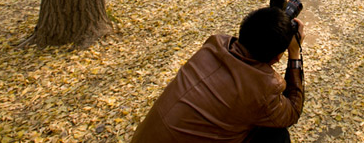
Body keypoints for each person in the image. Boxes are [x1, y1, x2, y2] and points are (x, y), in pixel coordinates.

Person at [131, 7, 305, 142]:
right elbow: (292, 112)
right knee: (275, 135)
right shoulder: (264, 89)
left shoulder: (215, 44)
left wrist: (269, 22)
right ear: (277, 57)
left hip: (144, 137)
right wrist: (295, 53)